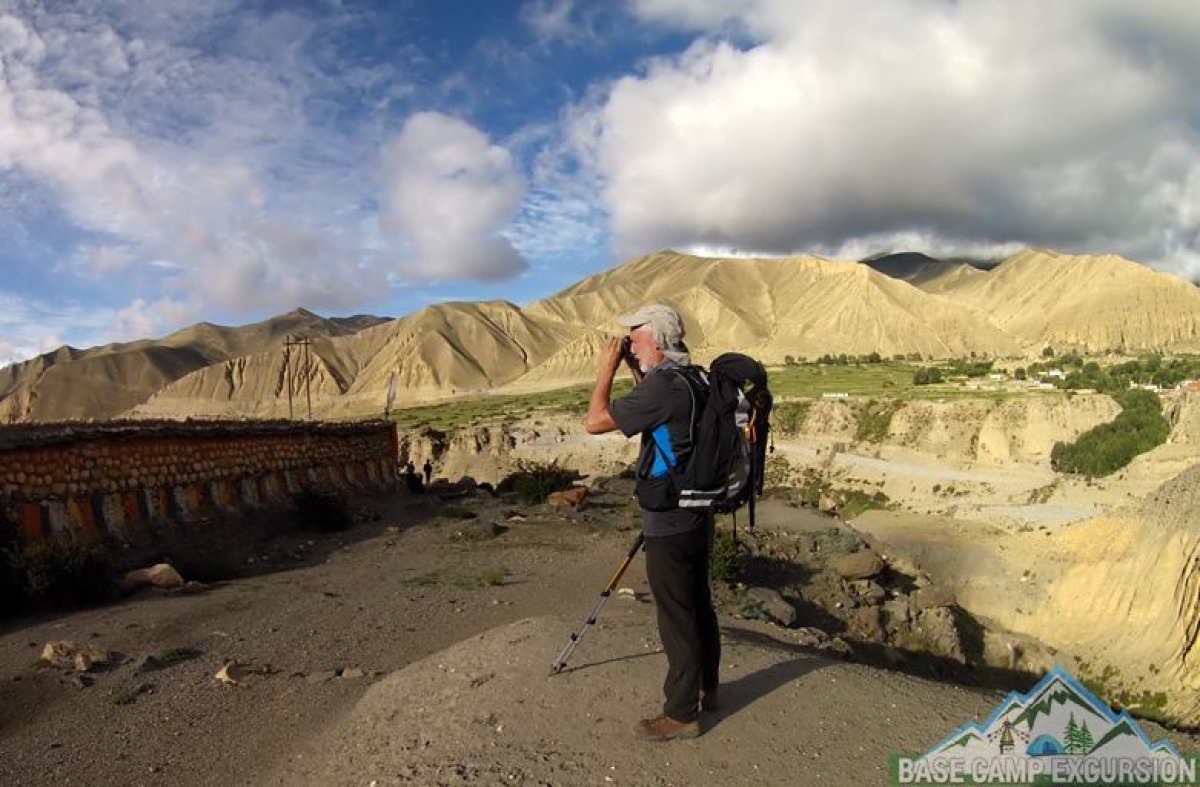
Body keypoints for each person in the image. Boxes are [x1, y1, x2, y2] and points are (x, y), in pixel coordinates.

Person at [584, 303, 720, 742]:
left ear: (657, 343)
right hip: (698, 511)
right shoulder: (691, 377)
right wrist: (632, 368)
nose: (629, 342)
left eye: (636, 336)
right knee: (698, 601)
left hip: (669, 521)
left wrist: (606, 368)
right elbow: (659, 412)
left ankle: (681, 714)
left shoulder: (665, 387)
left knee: (675, 615)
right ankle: (708, 687)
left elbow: (595, 422)